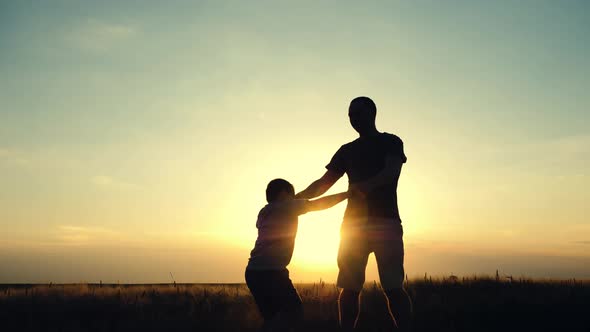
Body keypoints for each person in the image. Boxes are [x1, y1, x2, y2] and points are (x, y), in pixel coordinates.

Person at [296, 96, 412, 331]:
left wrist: (363, 187)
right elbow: (323, 183)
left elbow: (391, 172)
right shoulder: (346, 150)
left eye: (357, 112)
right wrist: (294, 200)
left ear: (372, 113)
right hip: (352, 227)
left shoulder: (391, 142)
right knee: (348, 289)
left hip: (385, 223)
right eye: (350, 114)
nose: (353, 118)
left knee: (393, 288)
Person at [245, 178, 349, 331]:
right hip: (272, 272)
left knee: (272, 318)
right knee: (294, 311)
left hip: (253, 272)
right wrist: (347, 194)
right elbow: (318, 204)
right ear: (283, 193)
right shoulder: (288, 206)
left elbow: (299, 202)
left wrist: (297, 198)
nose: (294, 198)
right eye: (291, 194)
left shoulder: (264, 211)